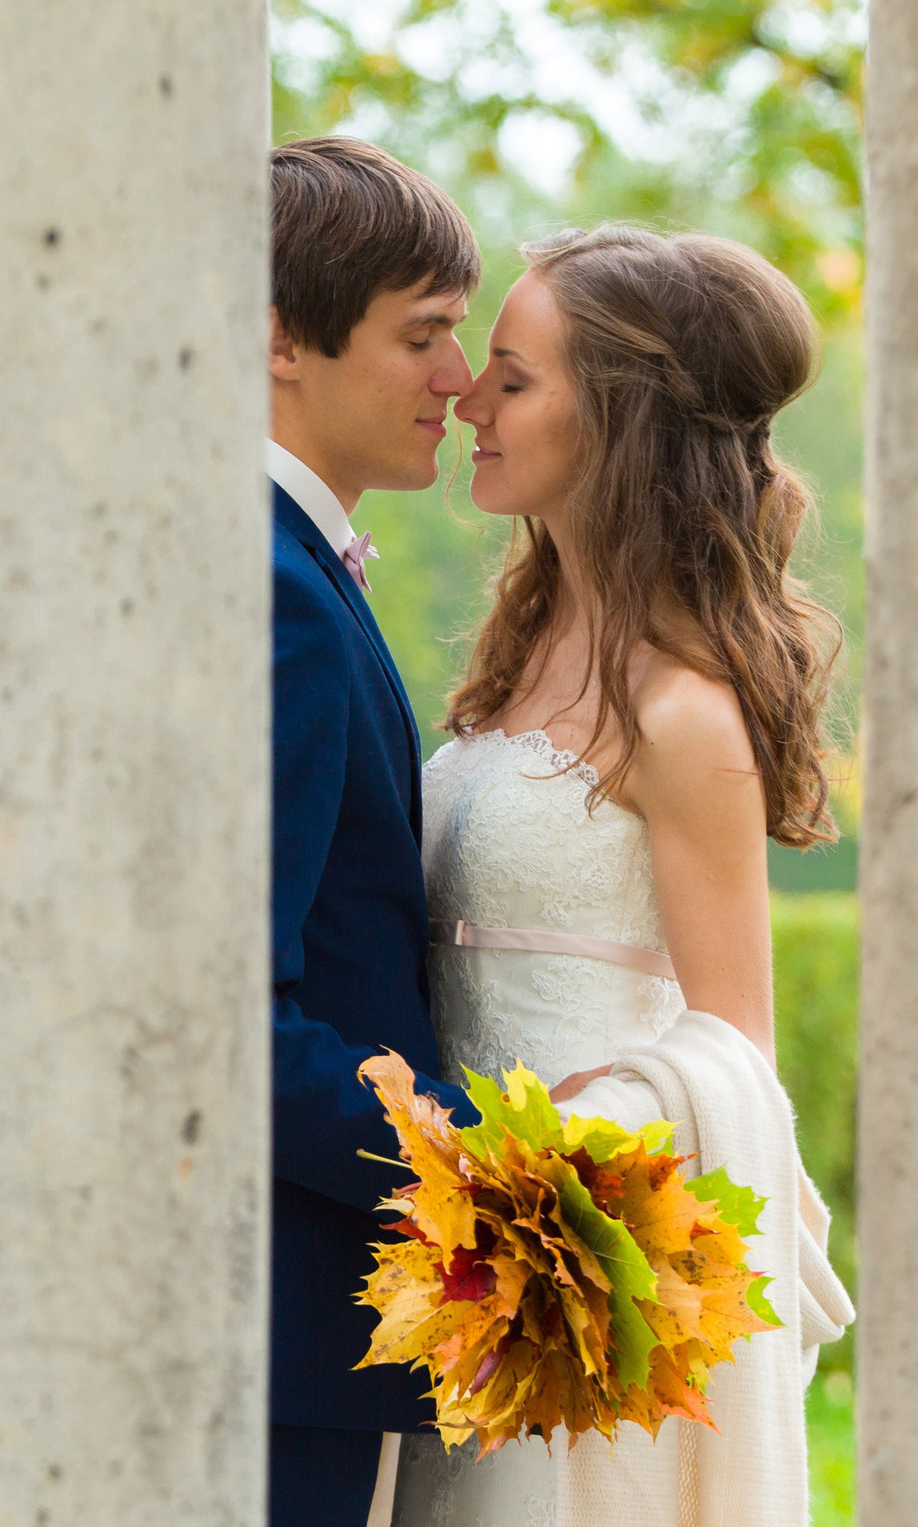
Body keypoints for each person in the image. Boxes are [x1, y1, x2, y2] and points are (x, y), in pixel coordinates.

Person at [390, 224, 854, 1524]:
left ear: (621, 418)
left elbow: (735, 1044)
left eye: (512, 379)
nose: (470, 403)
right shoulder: (525, 649)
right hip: (451, 1249)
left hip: (574, 1263)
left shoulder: (684, 710)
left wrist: (568, 1160)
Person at [263, 136, 482, 1527]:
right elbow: (238, 1020)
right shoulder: (276, 595)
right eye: (423, 336)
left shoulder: (294, 568)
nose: (457, 379)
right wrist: (491, 1165)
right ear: (283, 339)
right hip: (283, 1346)